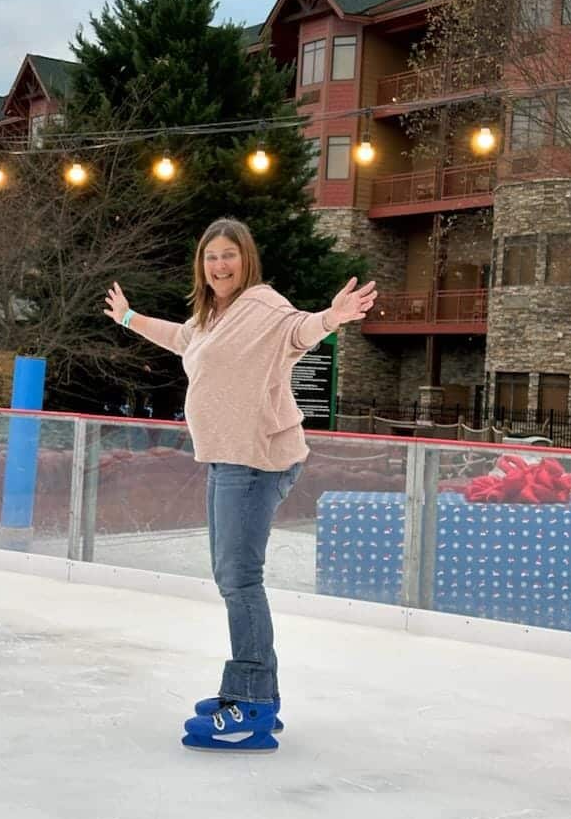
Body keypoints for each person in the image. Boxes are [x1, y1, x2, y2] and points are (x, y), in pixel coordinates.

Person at [104, 217, 376, 752]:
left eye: (229, 255)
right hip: (226, 459)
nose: (220, 265)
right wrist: (131, 317)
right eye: (211, 257)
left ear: (245, 259)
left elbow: (300, 329)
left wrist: (332, 317)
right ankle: (258, 693)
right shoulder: (210, 318)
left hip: (254, 460)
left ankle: (249, 704)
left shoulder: (264, 307)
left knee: (239, 579)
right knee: (231, 575)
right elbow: (179, 338)